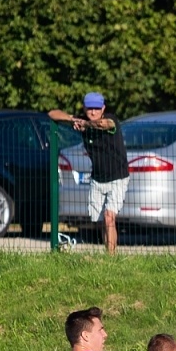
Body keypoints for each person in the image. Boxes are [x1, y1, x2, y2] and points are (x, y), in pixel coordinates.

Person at [50, 93, 128, 254]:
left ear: (103, 108)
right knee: (100, 221)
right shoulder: (82, 119)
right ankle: (108, 254)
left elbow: (105, 124)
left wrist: (86, 124)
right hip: (98, 178)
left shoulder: (111, 120)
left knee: (109, 217)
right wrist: (72, 120)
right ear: (84, 108)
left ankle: (111, 259)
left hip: (118, 177)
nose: (93, 112)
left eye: (96, 109)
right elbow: (52, 113)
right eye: (89, 109)